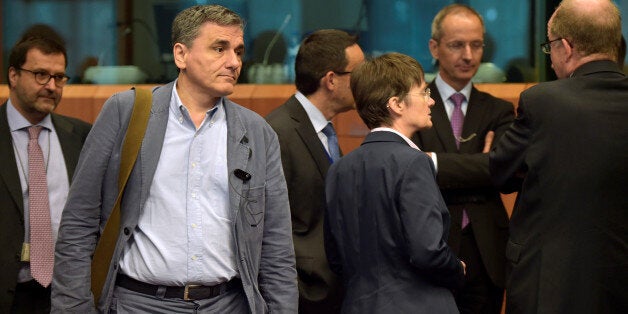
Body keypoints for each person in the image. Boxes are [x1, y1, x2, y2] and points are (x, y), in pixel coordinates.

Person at [51, 5, 297, 313]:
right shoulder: (125, 113)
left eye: (238, 50)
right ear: (181, 55)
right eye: (219, 48)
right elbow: (78, 221)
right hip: (138, 304)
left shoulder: (258, 133)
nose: (234, 62)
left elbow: (276, 247)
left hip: (228, 304)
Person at [489, 0, 628, 313]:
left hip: (550, 284)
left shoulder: (543, 101)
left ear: (566, 46)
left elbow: (500, 172)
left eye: (549, 46)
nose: (550, 58)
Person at [325, 52, 465, 313]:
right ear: (397, 104)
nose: (432, 100)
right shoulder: (414, 163)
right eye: (423, 92)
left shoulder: (339, 168)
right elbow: (427, 252)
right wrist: (456, 267)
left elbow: (335, 257)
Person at [410, 4, 514, 314]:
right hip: (430, 244)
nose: (468, 55)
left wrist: (433, 161)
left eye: (477, 44)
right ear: (434, 47)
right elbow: (409, 171)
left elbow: (506, 174)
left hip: (486, 254)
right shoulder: (412, 104)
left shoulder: (499, 110)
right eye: (457, 45)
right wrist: (482, 166)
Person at [265, 29, 364, 313]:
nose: (365, 82)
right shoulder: (277, 133)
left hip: (337, 293)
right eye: (358, 73)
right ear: (331, 80)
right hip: (304, 297)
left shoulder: (326, 131)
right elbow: (267, 227)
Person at [0, 28, 91, 313]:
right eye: (41, 74)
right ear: (13, 75)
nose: (51, 86)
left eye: (59, 77)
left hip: (66, 293)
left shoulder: (81, 136)